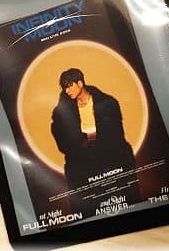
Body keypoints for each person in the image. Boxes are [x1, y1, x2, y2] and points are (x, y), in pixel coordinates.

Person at [50, 68, 140, 214]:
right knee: (88, 208)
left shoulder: (108, 103)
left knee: (124, 204)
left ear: (80, 83)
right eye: (64, 87)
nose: (67, 91)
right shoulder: (61, 113)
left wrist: (88, 139)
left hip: (110, 159)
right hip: (82, 163)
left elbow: (116, 135)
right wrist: (85, 140)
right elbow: (63, 142)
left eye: (69, 86)